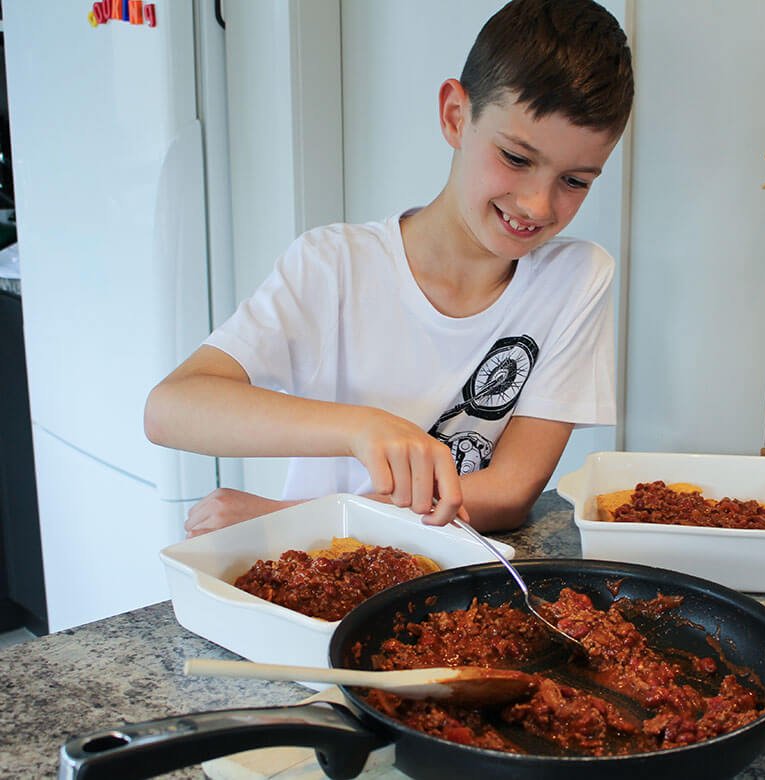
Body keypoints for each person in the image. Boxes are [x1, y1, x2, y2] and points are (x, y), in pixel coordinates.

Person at [144, 0, 634, 536]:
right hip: (318, 579)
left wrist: (291, 520)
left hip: (438, 579)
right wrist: (363, 427)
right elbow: (171, 408)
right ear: (454, 115)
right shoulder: (334, 266)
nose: (539, 206)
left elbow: (511, 492)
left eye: (576, 181)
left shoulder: (576, 278)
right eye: (516, 159)